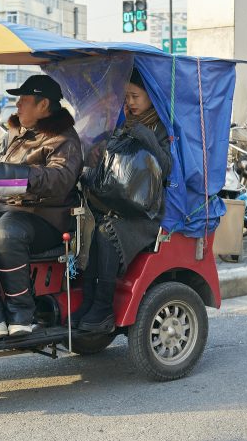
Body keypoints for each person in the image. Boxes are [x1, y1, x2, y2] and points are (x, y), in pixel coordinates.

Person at [0, 75, 83, 339]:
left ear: (43, 106)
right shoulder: (19, 133)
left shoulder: (64, 139)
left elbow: (60, 179)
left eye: (24, 100)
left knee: (3, 235)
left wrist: (24, 174)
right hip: (6, 208)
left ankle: (21, 314)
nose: (17, 106)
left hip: (45, 215)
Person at [74, 68, 173, 332]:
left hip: (144, 213)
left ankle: (104, 308)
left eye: (135, 97)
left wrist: (144, 134)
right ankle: (89, 302)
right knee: (93, 230)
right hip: (120, 204)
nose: (129, 102)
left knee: (107, 233)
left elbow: (166, 166)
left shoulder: (161, 128)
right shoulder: (126, 124)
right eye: (127, 97)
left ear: (151, 97)